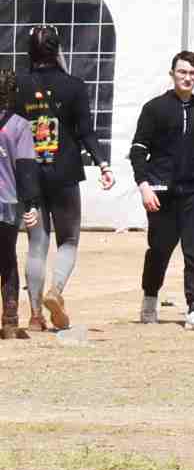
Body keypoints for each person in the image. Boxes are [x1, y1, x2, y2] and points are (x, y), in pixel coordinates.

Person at [15, 24, 108, 340]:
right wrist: (102, 163)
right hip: (65, 172)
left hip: (29, 173)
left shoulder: (18, 86)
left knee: (36, 243)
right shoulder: (74, 86)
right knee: (68, 240)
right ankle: (55, 289)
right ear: (57, 50)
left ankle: (35, 316)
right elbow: (85, 132)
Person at [127, 50, 194, 330]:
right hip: (161, 191)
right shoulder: (154, 108)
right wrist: (144, 186)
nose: (187, 78)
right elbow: (138, 150)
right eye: (182, 72)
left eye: (192, 73)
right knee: (159, 249)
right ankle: (150, 297)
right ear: (172, 73)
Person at [0, 85, 36, 339]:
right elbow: (25, 167)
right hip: (7, 201)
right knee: (7, 257)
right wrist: (31, 202)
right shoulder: (19, 125)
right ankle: (10, 319)